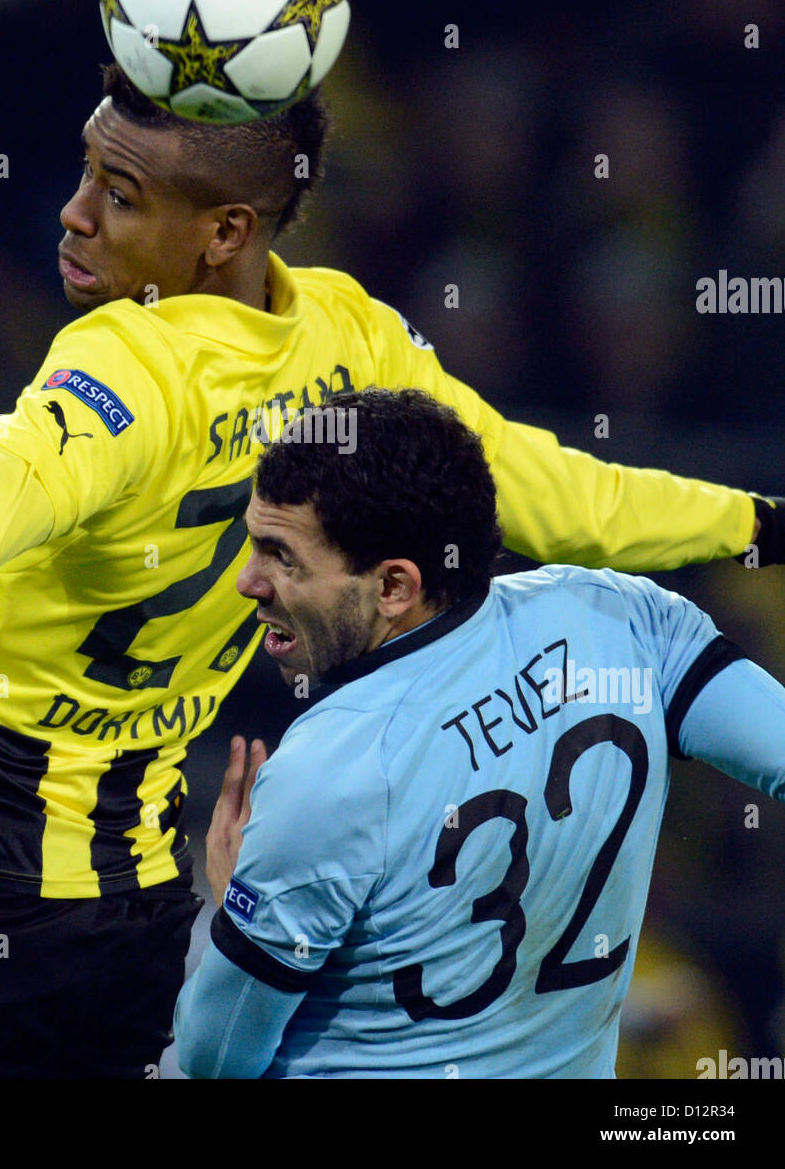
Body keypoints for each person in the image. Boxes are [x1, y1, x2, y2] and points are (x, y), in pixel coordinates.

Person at [0, 65, 780, 1077]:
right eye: (87, 175)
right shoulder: (347, 339)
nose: (73, 216)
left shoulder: (127, 365)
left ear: (226, 230)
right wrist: (757, 522)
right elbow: (551, 492)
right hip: (136, 919)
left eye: (118, 193)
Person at [173, 388, 785, 1079]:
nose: (248, 583)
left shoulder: (329, 770)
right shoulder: (623, 618)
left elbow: (213, 1061)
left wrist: (241, 921)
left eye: (282, 557)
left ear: (394, 587)